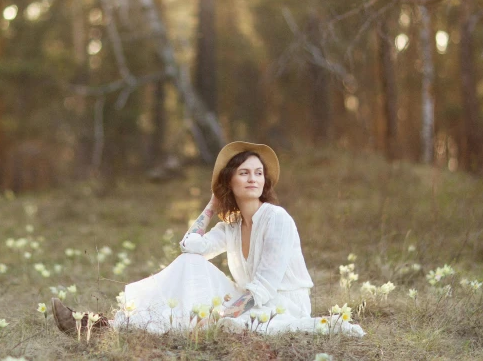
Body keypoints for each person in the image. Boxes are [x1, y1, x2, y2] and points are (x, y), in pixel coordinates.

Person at [52, 141, 365, 337]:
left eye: (258, 173)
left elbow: (263, 289)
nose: (253, 178)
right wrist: (212, 206)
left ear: (265, 180)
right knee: (190, 264)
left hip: (279, 305)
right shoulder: (231, 224)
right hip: (245, 300)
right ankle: (108, 323)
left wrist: (218, 313)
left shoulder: (277, 219)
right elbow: (189, 246)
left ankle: (107, 327)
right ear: (229, 180)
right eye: (244, 173)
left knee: (223, 325)